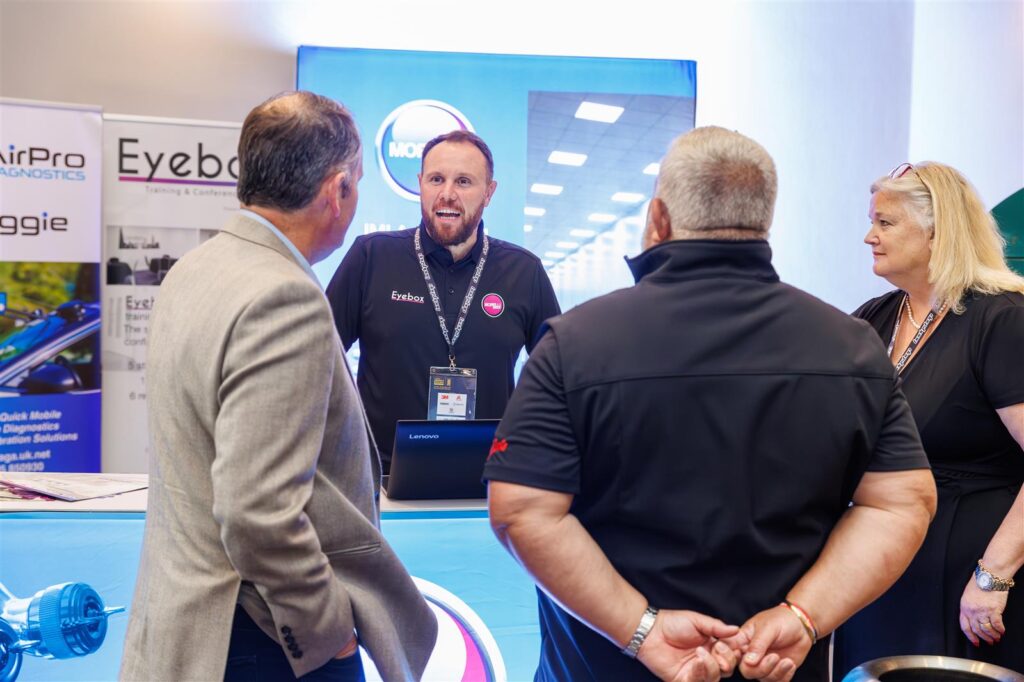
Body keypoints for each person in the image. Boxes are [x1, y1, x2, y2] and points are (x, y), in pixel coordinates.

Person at [484, 126, 938, 682]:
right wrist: (802, 616)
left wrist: (640, 629)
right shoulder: (851, 346)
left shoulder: (574, 344)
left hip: (602, 666)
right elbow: (901, 503)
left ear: (659, 218)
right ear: (763, 221)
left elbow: (521, 508)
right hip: (773, 664)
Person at [120, 91, 437, 682]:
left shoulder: (195, 269)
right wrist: (326, 632)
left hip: (189, 628)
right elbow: (256, 512)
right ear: (337, 189)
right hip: (263, 640)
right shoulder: (284, 296)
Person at [833, 162, 1024, 676]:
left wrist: (993, 576)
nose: (869, 237)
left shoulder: (1002, 318)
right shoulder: (873, 317)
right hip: (880, 563)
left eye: (886, 222)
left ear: (939, 231)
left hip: (970, 574)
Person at [326, 130, 560, 472]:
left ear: (489, 192)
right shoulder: (371, 256)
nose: (447, 194)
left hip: (487, 481)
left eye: (463, 181)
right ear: (420, 183)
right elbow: (320, 361)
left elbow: (558, 383)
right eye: (436, 179)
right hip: (380, 478)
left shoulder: (524, 272)